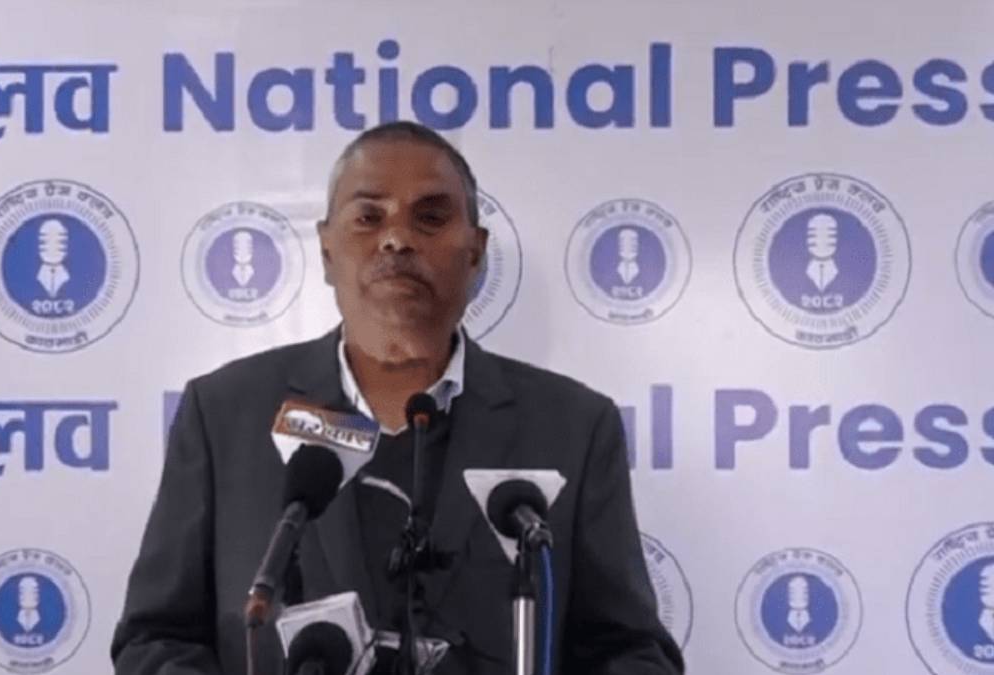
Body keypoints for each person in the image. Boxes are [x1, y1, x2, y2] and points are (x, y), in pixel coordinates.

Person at [111, 121, 684, 674]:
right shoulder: (225, 415)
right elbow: (155, 640)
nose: (397, 238)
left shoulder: (572, 428)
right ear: (327, 250)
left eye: (430, 217)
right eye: (368, 217)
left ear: (476, 251)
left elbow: (630, 652)